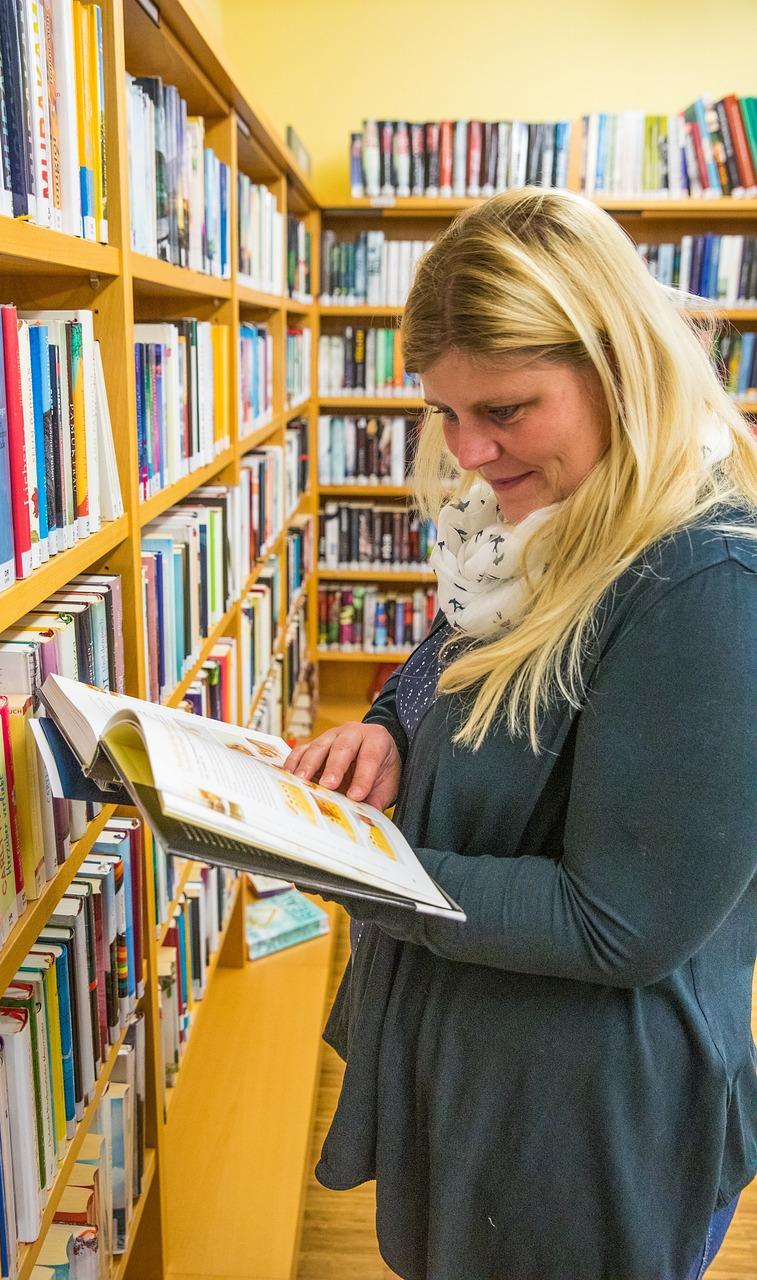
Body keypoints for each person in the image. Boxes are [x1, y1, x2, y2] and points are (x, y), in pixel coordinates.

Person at [285, 188, 757, 1280]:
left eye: (504, 408)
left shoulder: (702, 578)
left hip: (582, 1118)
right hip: (478, 1055)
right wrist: (392, 724)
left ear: (616, 360)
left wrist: (348, 863)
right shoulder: (545, 518)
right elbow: (452, 653)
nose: (470, 451)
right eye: (444, 412)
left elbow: (618, 925)